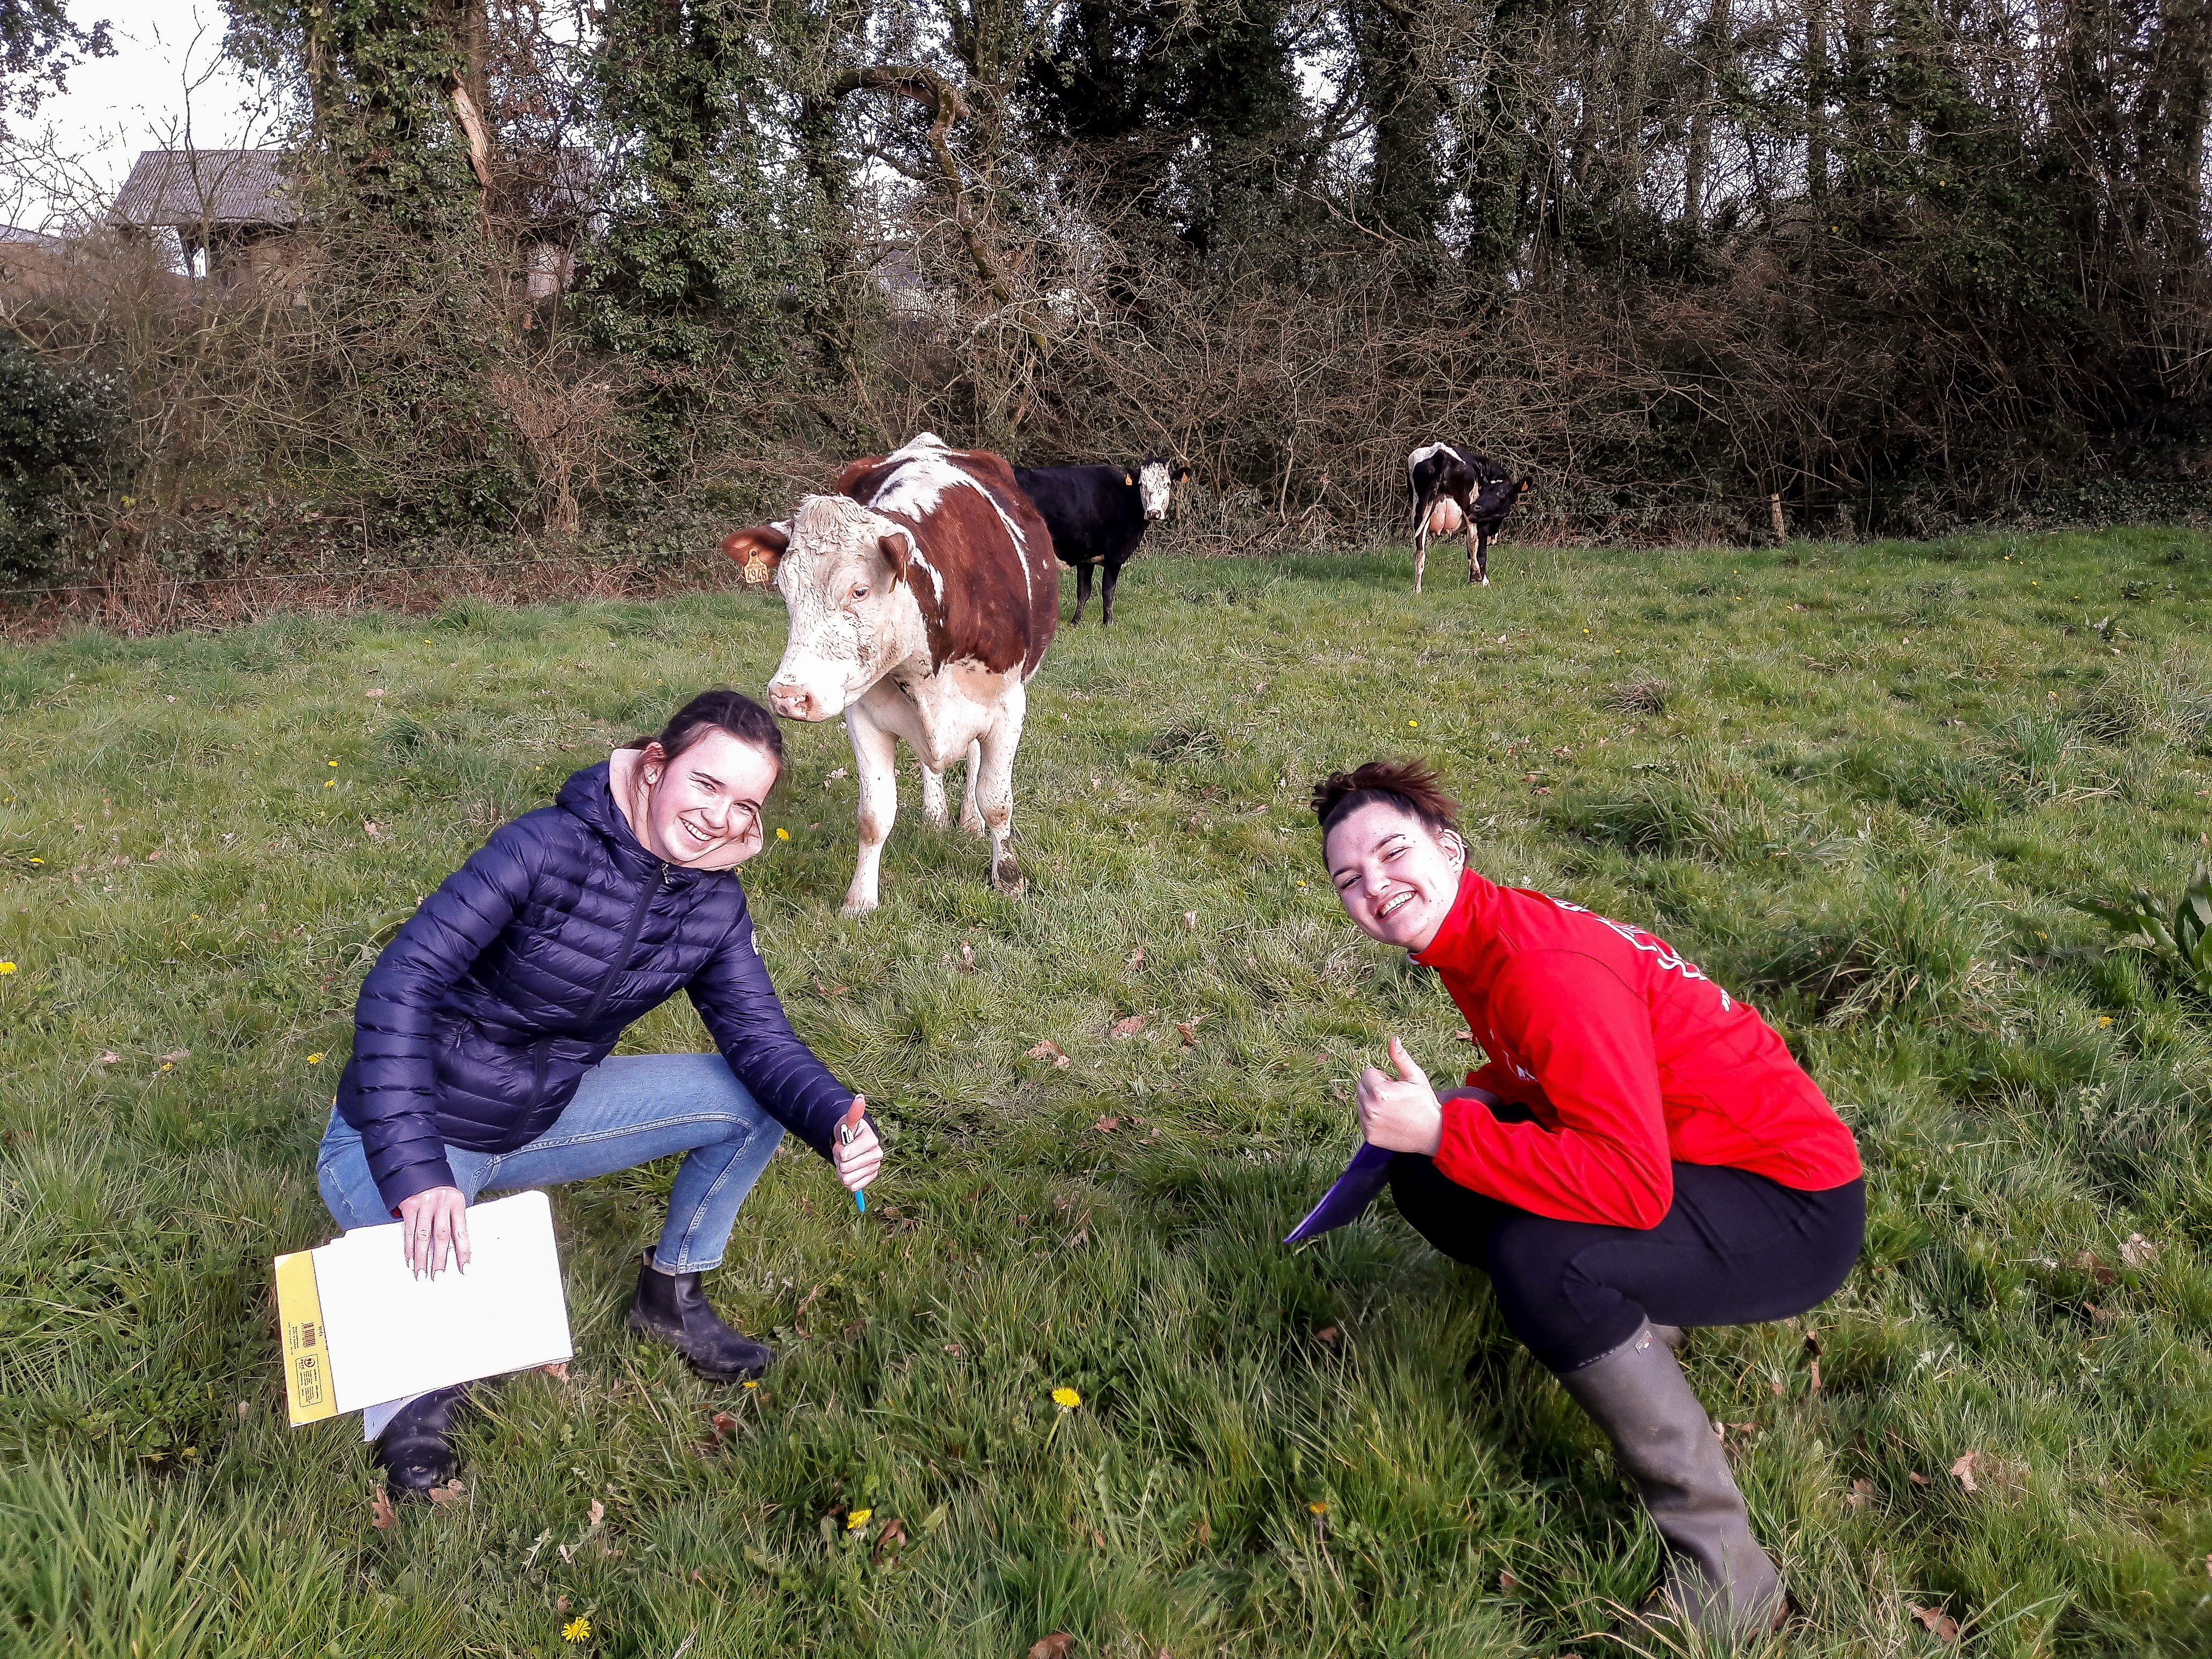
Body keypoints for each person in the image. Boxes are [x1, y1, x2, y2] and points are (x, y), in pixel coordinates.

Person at [1315, 759, 1863, 1636]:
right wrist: (1456, 1120)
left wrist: (1447, 1131)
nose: (1378, 887)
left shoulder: (1538, 964)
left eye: (1393, 853)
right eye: (1351, 879)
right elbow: (1549, 1078)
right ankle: (1636, 1322)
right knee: (1436, 1154)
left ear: (1448, 849)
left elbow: (1634, 1187)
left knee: (1537, 1256)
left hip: (1792, 1205)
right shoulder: (1478, 932)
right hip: (1696, 1161)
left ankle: (1731, 1574)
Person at [316, 689, 883, 1497]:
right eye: (706, 784)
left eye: (746, 803)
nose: (720, 817)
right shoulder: (543, 847)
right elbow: (402, 983)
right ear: (656, 768)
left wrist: (834, 1117)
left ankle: (673, 1295)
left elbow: (758, 1039)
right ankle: (417, 1410)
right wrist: (415, 1174)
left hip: (539, 1116)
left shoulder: (714, 903)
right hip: (399, 1130)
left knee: (751, 1098)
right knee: (436, 1323)